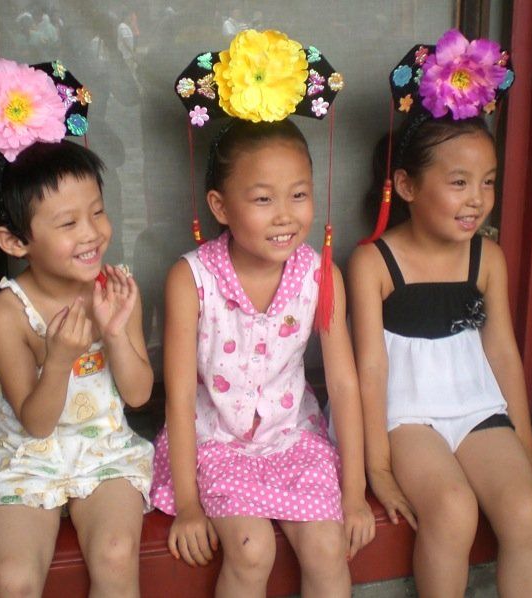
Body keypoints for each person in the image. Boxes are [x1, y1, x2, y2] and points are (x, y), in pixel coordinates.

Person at [151, 30, 374, 597]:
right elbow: (178, 395)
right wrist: (190, 507)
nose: (285, 216)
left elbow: (344, 386)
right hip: (215, 442)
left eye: (299, 195)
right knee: (252, 552)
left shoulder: (321, 274)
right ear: (220, 206)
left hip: (291, 436)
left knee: (327, 551)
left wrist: (353, 494)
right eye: (262, 198)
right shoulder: (191, 280)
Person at [348, 30, 532, 597]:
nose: (477, 198)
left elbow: (501, 353)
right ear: (406, 185)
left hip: (474, 403)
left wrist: (525, 447)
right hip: (406, 413)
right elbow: (369, 370)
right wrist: (378, 467)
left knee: (523, 509)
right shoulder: (374, 262)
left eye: (488, 183)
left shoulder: (486, 258)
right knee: (452, 508)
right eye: (459, 183)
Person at [0, 59, 153, 597]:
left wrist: (116, 332)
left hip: (104, 451)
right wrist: (58, 359)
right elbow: (34, 424)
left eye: (97, 213)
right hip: (26, 458)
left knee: (117, 553)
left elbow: (140, 395)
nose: (92, 234)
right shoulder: (7, 315)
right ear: (15, 242)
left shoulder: (115, 290)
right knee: (13, 576)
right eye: (68, 223)